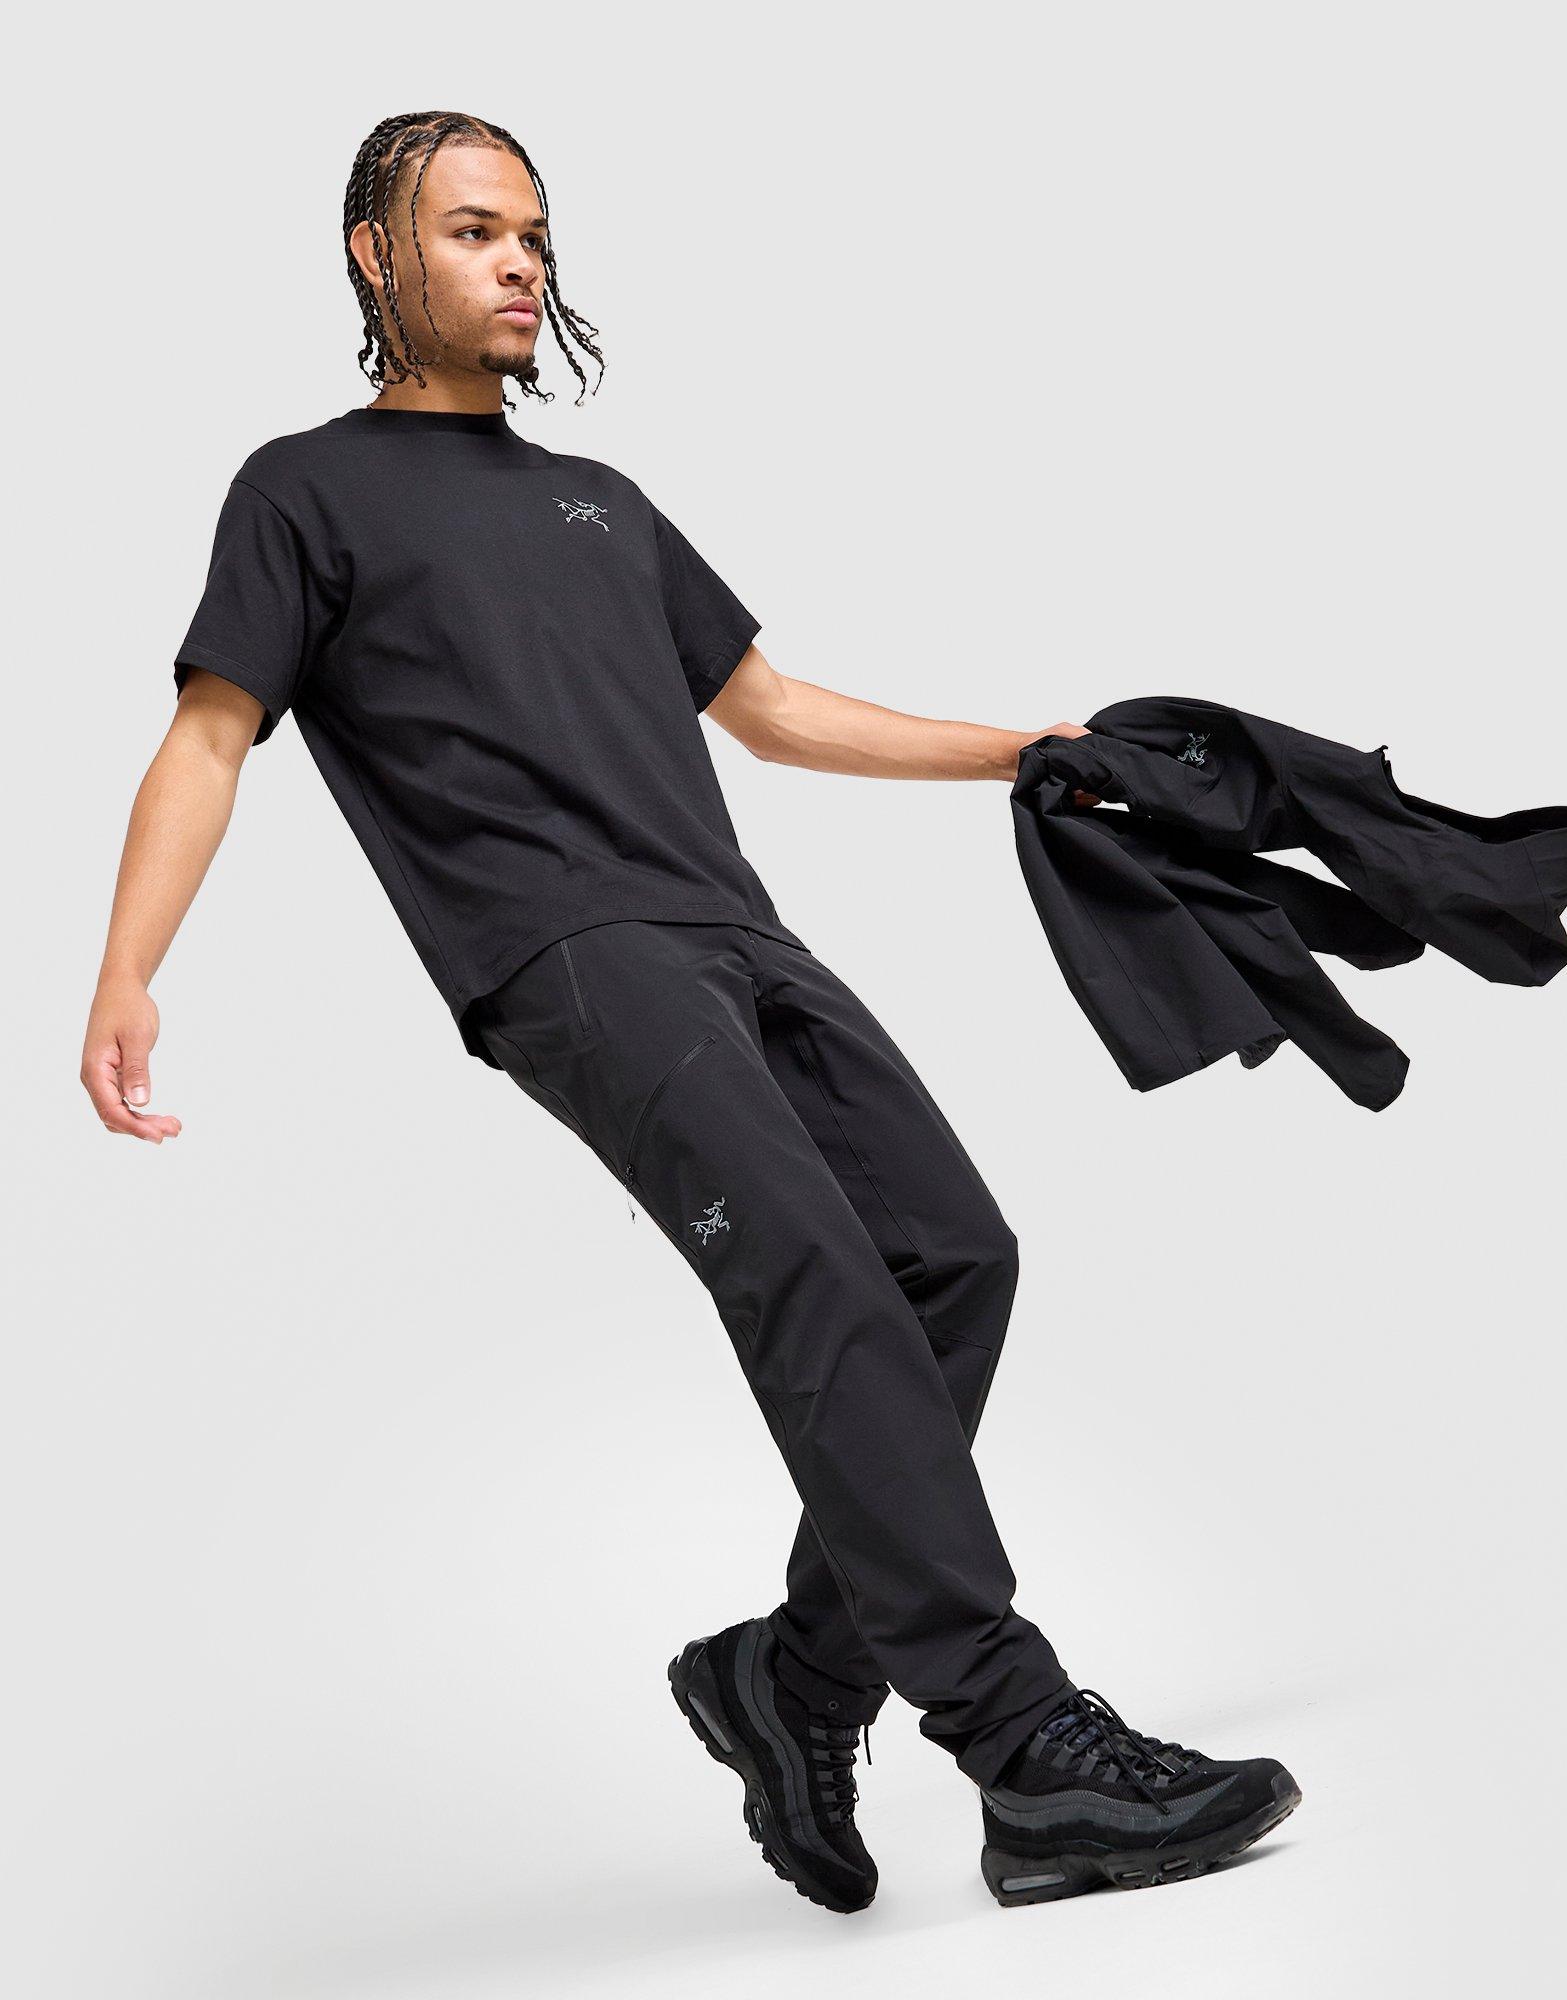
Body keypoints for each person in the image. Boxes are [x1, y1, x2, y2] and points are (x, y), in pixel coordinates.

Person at [81, 109, 1299, 1914]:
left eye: (533, 235)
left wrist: (1023, 749)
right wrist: (129, 967)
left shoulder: (604, 502)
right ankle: (1026, 1751)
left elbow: (777, 712)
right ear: (374, 253)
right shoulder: (303, 491)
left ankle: (793, 1680)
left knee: (955, 1259)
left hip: (740, 933)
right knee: (812, 1269)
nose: (518, 262)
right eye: (474, 230)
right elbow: (208, 736)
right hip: (569, 959)